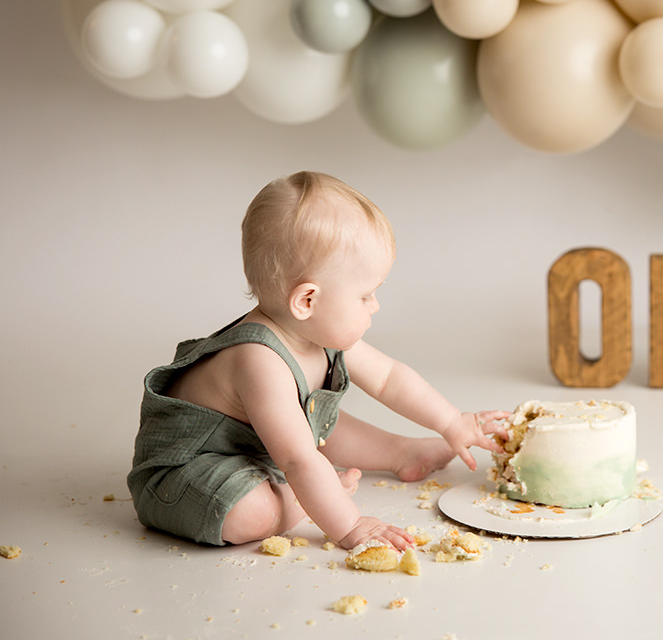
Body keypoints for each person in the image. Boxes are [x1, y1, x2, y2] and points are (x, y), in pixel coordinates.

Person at [128, 171, 509, 551]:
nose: (374, 305)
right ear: (307, 301)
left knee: (317, 421)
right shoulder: (260, 361)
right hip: (187, 474)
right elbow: (297, 459)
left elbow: (390, 378)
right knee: (253, 511)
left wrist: (453, 421)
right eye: (365, 296)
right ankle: (296, 500)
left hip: (260, 449)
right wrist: (351, 524)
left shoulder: (315, 330)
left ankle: (400, 451)